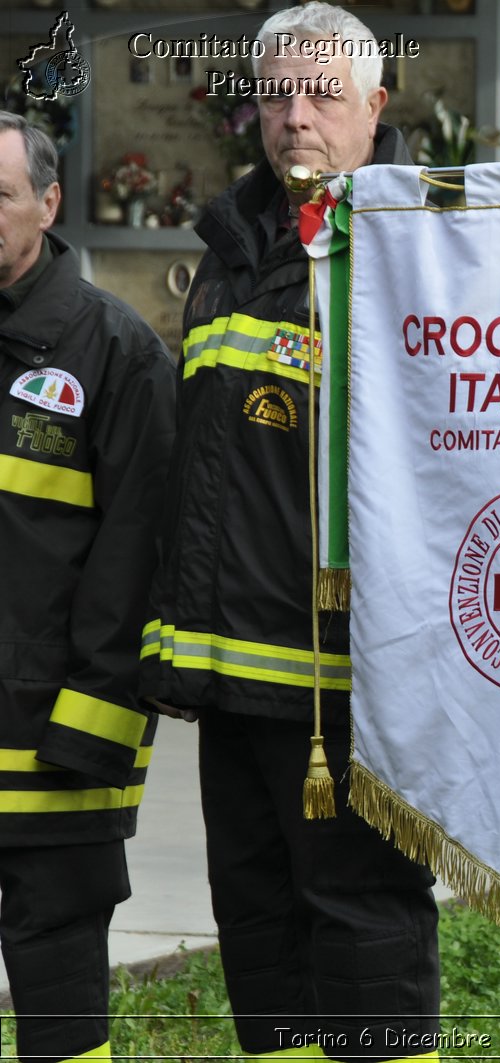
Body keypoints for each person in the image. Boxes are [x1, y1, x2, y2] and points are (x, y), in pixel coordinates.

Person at [138, 7, 441, 1060]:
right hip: (233, 673)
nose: (294, 116)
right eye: (276, 94)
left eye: (320, 94)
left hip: (354, 676)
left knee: (363, 920)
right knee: (258, 925)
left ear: (373, 107)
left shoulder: (423, 247)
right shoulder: (232, 244)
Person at [0, 111, 175, 1061]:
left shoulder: (118, 352)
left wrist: (90, 728)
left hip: (52, 752)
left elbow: (137, 558)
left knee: (60, 1005)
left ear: (49, 203)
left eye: (0, 193)